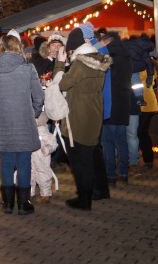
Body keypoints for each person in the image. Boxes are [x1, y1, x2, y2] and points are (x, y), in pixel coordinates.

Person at [55, 28, 111, 211]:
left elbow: (62, 84)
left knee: (80, 161)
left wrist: (60, 64)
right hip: (94, 114)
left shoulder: (80, 64)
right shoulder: (98, 60)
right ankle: (97, 190)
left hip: (78, 117)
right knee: (91, 156)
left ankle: (84, 199)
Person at [0, 35, 43, 215]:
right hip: (24, 121)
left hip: (3, 122)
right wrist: (33, 113)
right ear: (18, 47)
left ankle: (8, 203)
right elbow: (39, 97)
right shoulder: (28, 69)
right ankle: (24, 204)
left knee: (6, 163)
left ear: (0, 48)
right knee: (24, 162)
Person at [101, 32, 133, 185]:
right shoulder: (127, 57)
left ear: (107, 41)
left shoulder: (107, 58)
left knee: (108, 142)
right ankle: (124, 173)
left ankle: (110, 175)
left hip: (108, 105)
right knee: (122, 141)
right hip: (123, 105)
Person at [30, 112, 58, 202]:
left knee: (43, 172)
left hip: (41, 157)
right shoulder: (28, 131)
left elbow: (53, 144)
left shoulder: (45, 133)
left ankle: (45, 193)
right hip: (30, 154)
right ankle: (30, 192)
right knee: (29, 172)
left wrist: (47, 149)